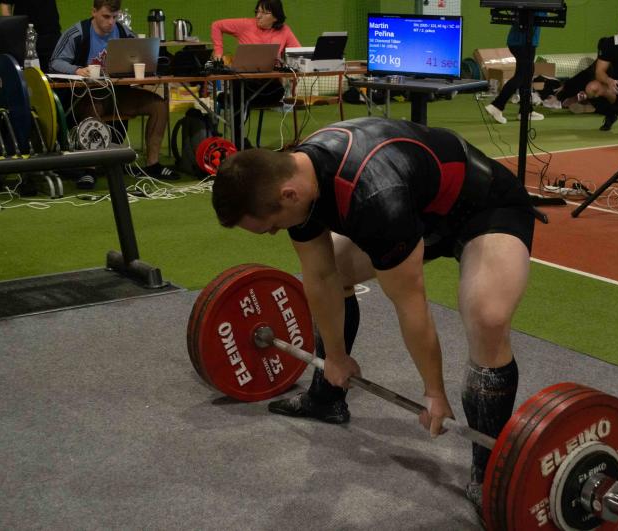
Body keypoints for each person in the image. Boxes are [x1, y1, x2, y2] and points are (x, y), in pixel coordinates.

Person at [211, 116, 537, 513]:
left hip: (484, 209)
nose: (276, 232)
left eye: (272, 227)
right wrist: (335, 357)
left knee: (487, 318)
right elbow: (320, 276)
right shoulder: (298, 175)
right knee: (336, 268)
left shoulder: (375, 198)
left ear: (288, 195)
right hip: (422, 209)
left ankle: (489, 474)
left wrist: (434, 392)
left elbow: (410, 302)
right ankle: (327, 397)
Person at [49, 0, 177, 183]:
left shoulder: (125, 33)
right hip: (85, 97)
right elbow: (54, 62)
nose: (111, 22)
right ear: (94, 12)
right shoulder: (77, 33)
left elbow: (145, 56)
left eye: (114, 17)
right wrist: (76, 70)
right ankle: (90, 168)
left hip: (118, 95)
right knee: (94, 107)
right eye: (106, 16)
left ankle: (153, 164)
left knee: (159, 105)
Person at [211, 0, 300, 148]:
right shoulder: (245, 24)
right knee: (239, 92)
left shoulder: (284, 30)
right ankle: (238, 141)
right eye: (257, 11)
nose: (258, 16)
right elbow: (216, 25)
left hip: (268, 84)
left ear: (276, 16)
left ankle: (229, 100)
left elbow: (297, 52)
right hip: (243, 81)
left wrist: (284, 63)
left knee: (276, 92)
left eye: (264, 13)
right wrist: (218, 52)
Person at [484, 17, 544, 124]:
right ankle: (497, 106)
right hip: (525, 42)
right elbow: (539, 15)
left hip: (520, 41)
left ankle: (525, 111)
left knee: (527, 75)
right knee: (521, 75)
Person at [0, 0, 62, 73]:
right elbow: (5, 5)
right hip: (24, 36)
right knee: (26, 75)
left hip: (51, 33)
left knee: (54, 74)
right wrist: (12, 34)